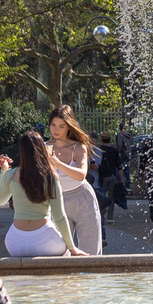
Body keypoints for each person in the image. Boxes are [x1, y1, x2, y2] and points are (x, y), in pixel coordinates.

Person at [0, 133, 86, 257]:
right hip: (45, 241)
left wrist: (4, 170)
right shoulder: (50, 177)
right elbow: (59, 217)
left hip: (15, 242)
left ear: (21, 151)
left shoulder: (11, 174)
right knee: (66, 254)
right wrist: (72, 247)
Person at [46, 106, 103, 254]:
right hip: (57, 200)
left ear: (69, 126)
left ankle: (90, 278)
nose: (55, 130)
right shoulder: (45, 147)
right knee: (60, 251)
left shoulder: (79, 147)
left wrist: (58, 164)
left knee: (90, 250)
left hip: (82, 199)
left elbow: (81, 175)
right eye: (53, 124)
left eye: (61, 126)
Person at [96, 133, 126, 221]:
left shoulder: (99, 150)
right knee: (111, 197)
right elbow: (119, 165)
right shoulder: (114, 150)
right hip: (112, 175)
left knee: (101, 196)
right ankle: (110, 217)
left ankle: (101, 213)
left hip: (101, 176)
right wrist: (121, 178)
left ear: (101, 139)